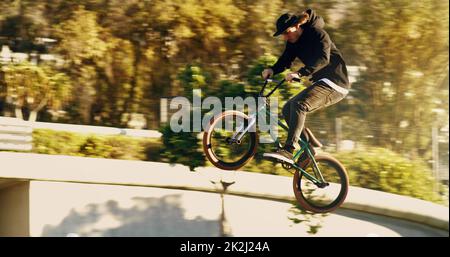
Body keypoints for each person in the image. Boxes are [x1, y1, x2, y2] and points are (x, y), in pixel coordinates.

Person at [262, 9, 350, 167]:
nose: (286, 37)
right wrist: (272, 70)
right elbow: (285, 60)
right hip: (323, 82)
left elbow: (324, 59)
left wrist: (300, 73)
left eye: (287, 32)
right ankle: (309, 145)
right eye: (284, 34)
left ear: (297, 26)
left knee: (299, 105)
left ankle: (289, 150)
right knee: (288, 108)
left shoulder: (318, 34)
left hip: (336, 83)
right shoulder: (292, 42)